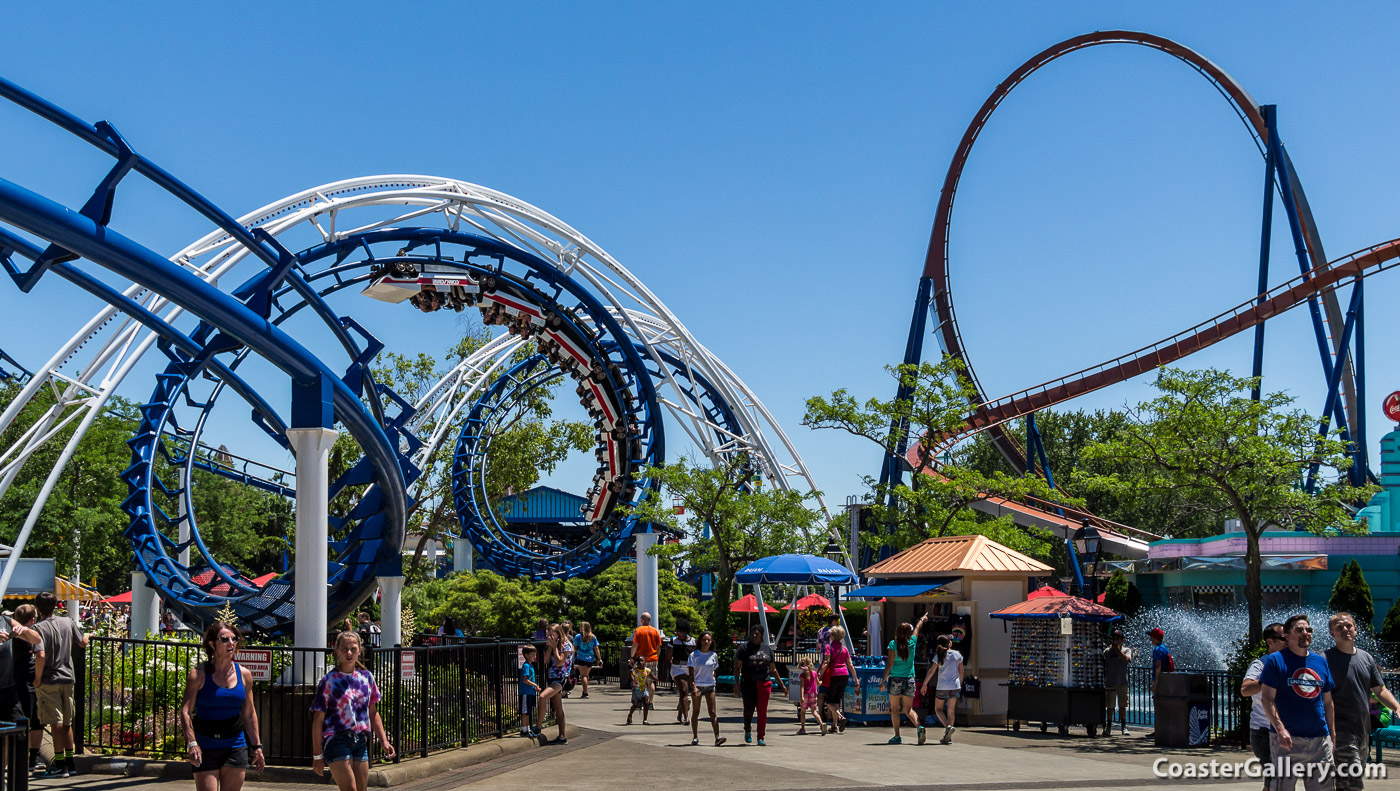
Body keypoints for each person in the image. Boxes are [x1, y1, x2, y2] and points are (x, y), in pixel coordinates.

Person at [180, 623, 264, 790]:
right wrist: (192, 743)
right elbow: (185, 712)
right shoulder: (198, 674)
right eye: (224, 639)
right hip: (205, 744)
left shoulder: (244, 674)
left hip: (234, 744)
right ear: (212, 644)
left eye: (234, 639)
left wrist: (257, 747)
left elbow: (249, 714)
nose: (231, 643)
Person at [1258, 614, 1336, 791]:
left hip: (1319, 740)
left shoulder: (1321, 662)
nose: (1305, 633)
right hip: (1287, 741)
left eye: (1308, 630)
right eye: (1299, 630)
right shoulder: (1275, 660)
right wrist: (1280, 729)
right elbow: (1267, 699)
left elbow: (1328, 702)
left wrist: (1332, 735)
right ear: (1286, 635)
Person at [310, 631, 394, 791]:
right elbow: (318, 719)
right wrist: (317, 755)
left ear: (359, 651)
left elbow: (373, 712)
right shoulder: (329, 681)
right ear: (337, 651)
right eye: (344, 649)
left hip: (360, 740)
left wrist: (384, 740)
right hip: (336, 739)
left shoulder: (367, 678)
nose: (349, 653)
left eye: (353, 649)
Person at [1325, 612, 1399, 790]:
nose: (1345, 630)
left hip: (1362, 729)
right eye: (1339, 627)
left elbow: (1379, 689)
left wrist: (1397, 706)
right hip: (1339, 730)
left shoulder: (1366, 658)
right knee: (1353, 782)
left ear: (1356, 629)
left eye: (1348, 626)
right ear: (1332, 633)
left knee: (1348, 781)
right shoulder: (1324, 659)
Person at [33, 591, 88, 778]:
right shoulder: (67, 622)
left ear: (38, 608)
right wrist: (87, 634)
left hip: (49, 678)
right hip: (67, 676)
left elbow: (40, 655)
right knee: (67, 721)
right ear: (56, 605)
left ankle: (59, 764)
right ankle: (71, 762)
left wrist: (37, 679)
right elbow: (82, 642)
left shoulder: (38, 628)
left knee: (54, 721)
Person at [1241, 623, 1287, 791]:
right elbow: (1245, 690)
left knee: (1282, 779)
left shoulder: (1290, 663)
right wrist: (1265, 680)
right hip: (1264, 731)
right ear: (1270, 642)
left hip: (1285, 729)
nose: (1287, 640)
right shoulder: (1260, 664)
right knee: (1275, 779)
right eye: (1283, 638)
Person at [0, 605, 40, 779]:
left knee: (17, 729)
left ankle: (3, 772)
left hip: (8, 687)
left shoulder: (6, 620)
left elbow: (36, 639)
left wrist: (24, 630)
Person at [733, 625, 786, 745]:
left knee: (762, 711)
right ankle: (747, 729)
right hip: (748, 682)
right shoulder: (744, 648)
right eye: (753, 633)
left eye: (757, 633)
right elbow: (737, 667)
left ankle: (761, 737)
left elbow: (773, 669)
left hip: (764, 682)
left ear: (762, 635)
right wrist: (737, 684)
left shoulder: (767, 649)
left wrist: (782, 685)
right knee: (749, 709)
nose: (754, 635)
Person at [883, 616, 925, 745]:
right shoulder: (912, 642)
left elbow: (889, 664)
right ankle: (919, 727)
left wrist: (882, 681)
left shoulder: (893, 644)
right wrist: (922, 619)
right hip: (910, 679)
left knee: (895, 709)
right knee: (908, 709)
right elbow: (917, 628)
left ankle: (897, 735)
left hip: (895, 678)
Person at [12, 605, 42, 772]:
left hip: (13, 678)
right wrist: (38, 678)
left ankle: (19, 757)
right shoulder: (29, 634)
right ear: (33, 619)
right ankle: (33, 757)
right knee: (34, 719)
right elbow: (41, 653)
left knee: (18, 717)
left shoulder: (11, 631)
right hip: (29, 680)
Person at [922, 634, 963, 744]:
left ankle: (948, 727)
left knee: (938, 709)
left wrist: (924, 684)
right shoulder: (957, 655)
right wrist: (960, 684)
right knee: (951, 710)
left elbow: (931, 671)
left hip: (942, 686)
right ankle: (948, 734)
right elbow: (961, 671)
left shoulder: (939, 655)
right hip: (955, 686)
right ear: (950, 643)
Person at [687, 631, 726, 746]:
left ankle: (717, 737)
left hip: (710, 685)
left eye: (708, 640)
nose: (706, 642)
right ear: (700, 641)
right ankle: (695, 736)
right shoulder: (694, 655)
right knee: (696, 711)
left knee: (713, 712)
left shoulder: (713, 655)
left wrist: (714, 684)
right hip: (698, 685)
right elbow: (691, 674)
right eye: (704, 640)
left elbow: (714, 671)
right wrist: (693, 687)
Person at [818, 625, 858, 734]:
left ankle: (841, 717)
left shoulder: (828, 647)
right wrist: (856, 679)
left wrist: (820, 675)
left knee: (829, 702)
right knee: (836, 701)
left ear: (831, 636)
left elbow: (826, 662)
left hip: (833, 675)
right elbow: (850, 665)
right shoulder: (844, 649)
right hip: (844, 674)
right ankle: (834, 725)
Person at [536, 622, 572, 744]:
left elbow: (559, 662)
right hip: (552, 677)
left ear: (558, 634)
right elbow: (545, 661)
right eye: (549, 635)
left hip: (561, 678)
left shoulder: (566, 645)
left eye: (553, 635)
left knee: (542, 696)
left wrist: (555, 647)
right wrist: (550, 647)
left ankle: (538, 727)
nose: (550, 638)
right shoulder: (552, 645)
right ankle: (562, 736)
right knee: (558, 708)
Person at [1102, 629, 1134, 735]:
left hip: (1122, 683)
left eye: (1117, 639)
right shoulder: (1107, 651)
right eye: (1114, 639)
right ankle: (1108, 727)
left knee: (1122, 706)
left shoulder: (1126, 650)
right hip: (1110, 682)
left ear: (1122, 640)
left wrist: (1118, 650)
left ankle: (1124, 727)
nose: (1115, 640)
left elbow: (1126, 660)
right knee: (1110, 706)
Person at [631, 612, 662, 710]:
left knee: (639, 681)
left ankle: (640, 701)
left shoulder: (638, 630)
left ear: (642, 620)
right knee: (650, 682)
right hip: (653, 658)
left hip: (641, 660)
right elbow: (658, 647)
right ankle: (650, 702)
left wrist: (632, 657)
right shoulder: (655, 631)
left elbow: (635, 645)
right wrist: (656, 657)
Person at [669, 621, 697, 726]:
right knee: (684, 690)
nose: (677, 633)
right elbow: (668, 658)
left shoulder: (693, 641)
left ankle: (680, 714)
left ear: (685, 632)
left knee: (684, 693)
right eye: (677, 631)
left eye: (680, 631)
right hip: (677, 668)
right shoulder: (673, 641)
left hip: (689, 668)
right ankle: (686, 717)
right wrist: (664, 673)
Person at [795, 656, 824, 736]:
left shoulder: (802, 676)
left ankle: (803, 728)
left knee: (803, 712)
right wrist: (821, 681)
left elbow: (802, 687)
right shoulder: (814, 673)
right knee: (814, 711)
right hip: (814, 694)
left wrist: (802, 697)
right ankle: (821, 724)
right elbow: (818, 683)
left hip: (806, 694)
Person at [572, 622, 600, 699]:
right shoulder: (593, 637)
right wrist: (599, 658)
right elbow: (596, 648)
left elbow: (574, 647)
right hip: (590, 658)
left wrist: (572, 658)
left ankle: (585, 692)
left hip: (581, 657)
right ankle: (585, 690)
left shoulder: (578, 636)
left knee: (583, 675)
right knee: (586, 675)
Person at [519, 645, 541, 738]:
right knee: (525, 711)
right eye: (533, 655)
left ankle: (527, 728)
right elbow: (525, 679)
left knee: (528, 711)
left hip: (530, 692)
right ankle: (524, 729)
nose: (534, 657)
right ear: (527, 655)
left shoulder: (530, 666)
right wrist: (534, 685)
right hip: (525, 692)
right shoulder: (526, 666)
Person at [626, 656, 651, 726]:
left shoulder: (647, 670)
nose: (641, 662)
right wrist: (633, 679)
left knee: (646, 702)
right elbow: (629, 673)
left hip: (644, 689)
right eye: (639, 661)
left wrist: (659, 679)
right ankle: (630, 715)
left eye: (642, 661)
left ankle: (645, 719)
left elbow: (652, 676)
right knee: (635, 705)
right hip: (636, 689)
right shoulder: (635, 670)